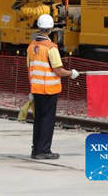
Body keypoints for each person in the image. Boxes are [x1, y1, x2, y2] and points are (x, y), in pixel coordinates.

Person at [27, 13, 79, 160]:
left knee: (38, 120)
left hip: (36, 89)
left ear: (39, 28)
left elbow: (30, 68)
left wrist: (31, 89)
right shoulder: (51, 48)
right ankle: (43, 151)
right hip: (49, 90)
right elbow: (58, 70)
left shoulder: (31, 47)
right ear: (50, 29)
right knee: (47, 120)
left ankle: (36, 150)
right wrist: (71, 73)